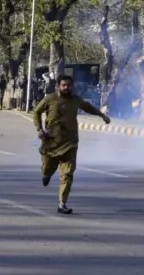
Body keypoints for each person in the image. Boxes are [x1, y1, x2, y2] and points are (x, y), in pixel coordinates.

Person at [33, 74, 110, 214]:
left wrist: (102, 115)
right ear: (58, 86)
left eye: (69, 85)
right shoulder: (50, 99)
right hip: (51, 142)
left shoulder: (76, 100)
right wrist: (39, 129)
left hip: (70, 142)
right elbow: (37, 112)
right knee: (48, 169)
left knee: (67, 174)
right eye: (64, 85)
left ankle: (62, 203)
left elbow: (88, 107)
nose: (66, 88)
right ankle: (47, 174)